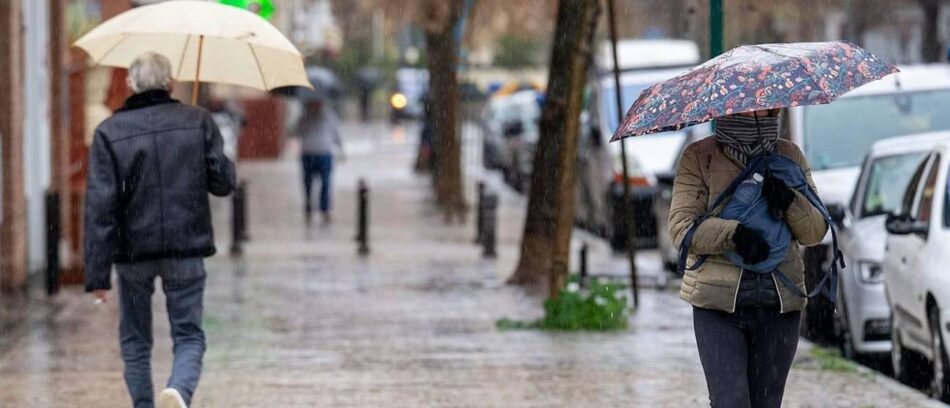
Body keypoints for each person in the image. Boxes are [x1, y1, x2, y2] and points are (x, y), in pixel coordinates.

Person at [84, 52, 235, 408]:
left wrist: (97, 275)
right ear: (170, 83)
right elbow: (224, 183)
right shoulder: (197, 121)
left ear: (129, 84)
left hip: (133, 252)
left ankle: (144, 405)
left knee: (135, 340)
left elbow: (100, 208)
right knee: (189, 335)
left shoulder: (109, 132)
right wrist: (208, 147)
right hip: (186, 247)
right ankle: (178, 391)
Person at [668, 109, 828, 408]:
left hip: (779, 306)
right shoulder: (700, 156)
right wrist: (735, 235)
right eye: (759, 103)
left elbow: (815, 231)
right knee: (731, 402)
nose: (767, 108)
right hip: (717, 308)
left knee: (767, 403)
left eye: (771, 103)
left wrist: (791, 202)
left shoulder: (789, 155)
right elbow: (681, 229)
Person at [298, 98, 342, 224]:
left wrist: (340, 148)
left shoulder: (329, 116)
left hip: (324, 152)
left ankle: (324, 209)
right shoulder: (305, 116)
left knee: (325, 182)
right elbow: (299, 132)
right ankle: (308, 206)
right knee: (308, 183)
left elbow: (336, 133)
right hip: (308, 152)